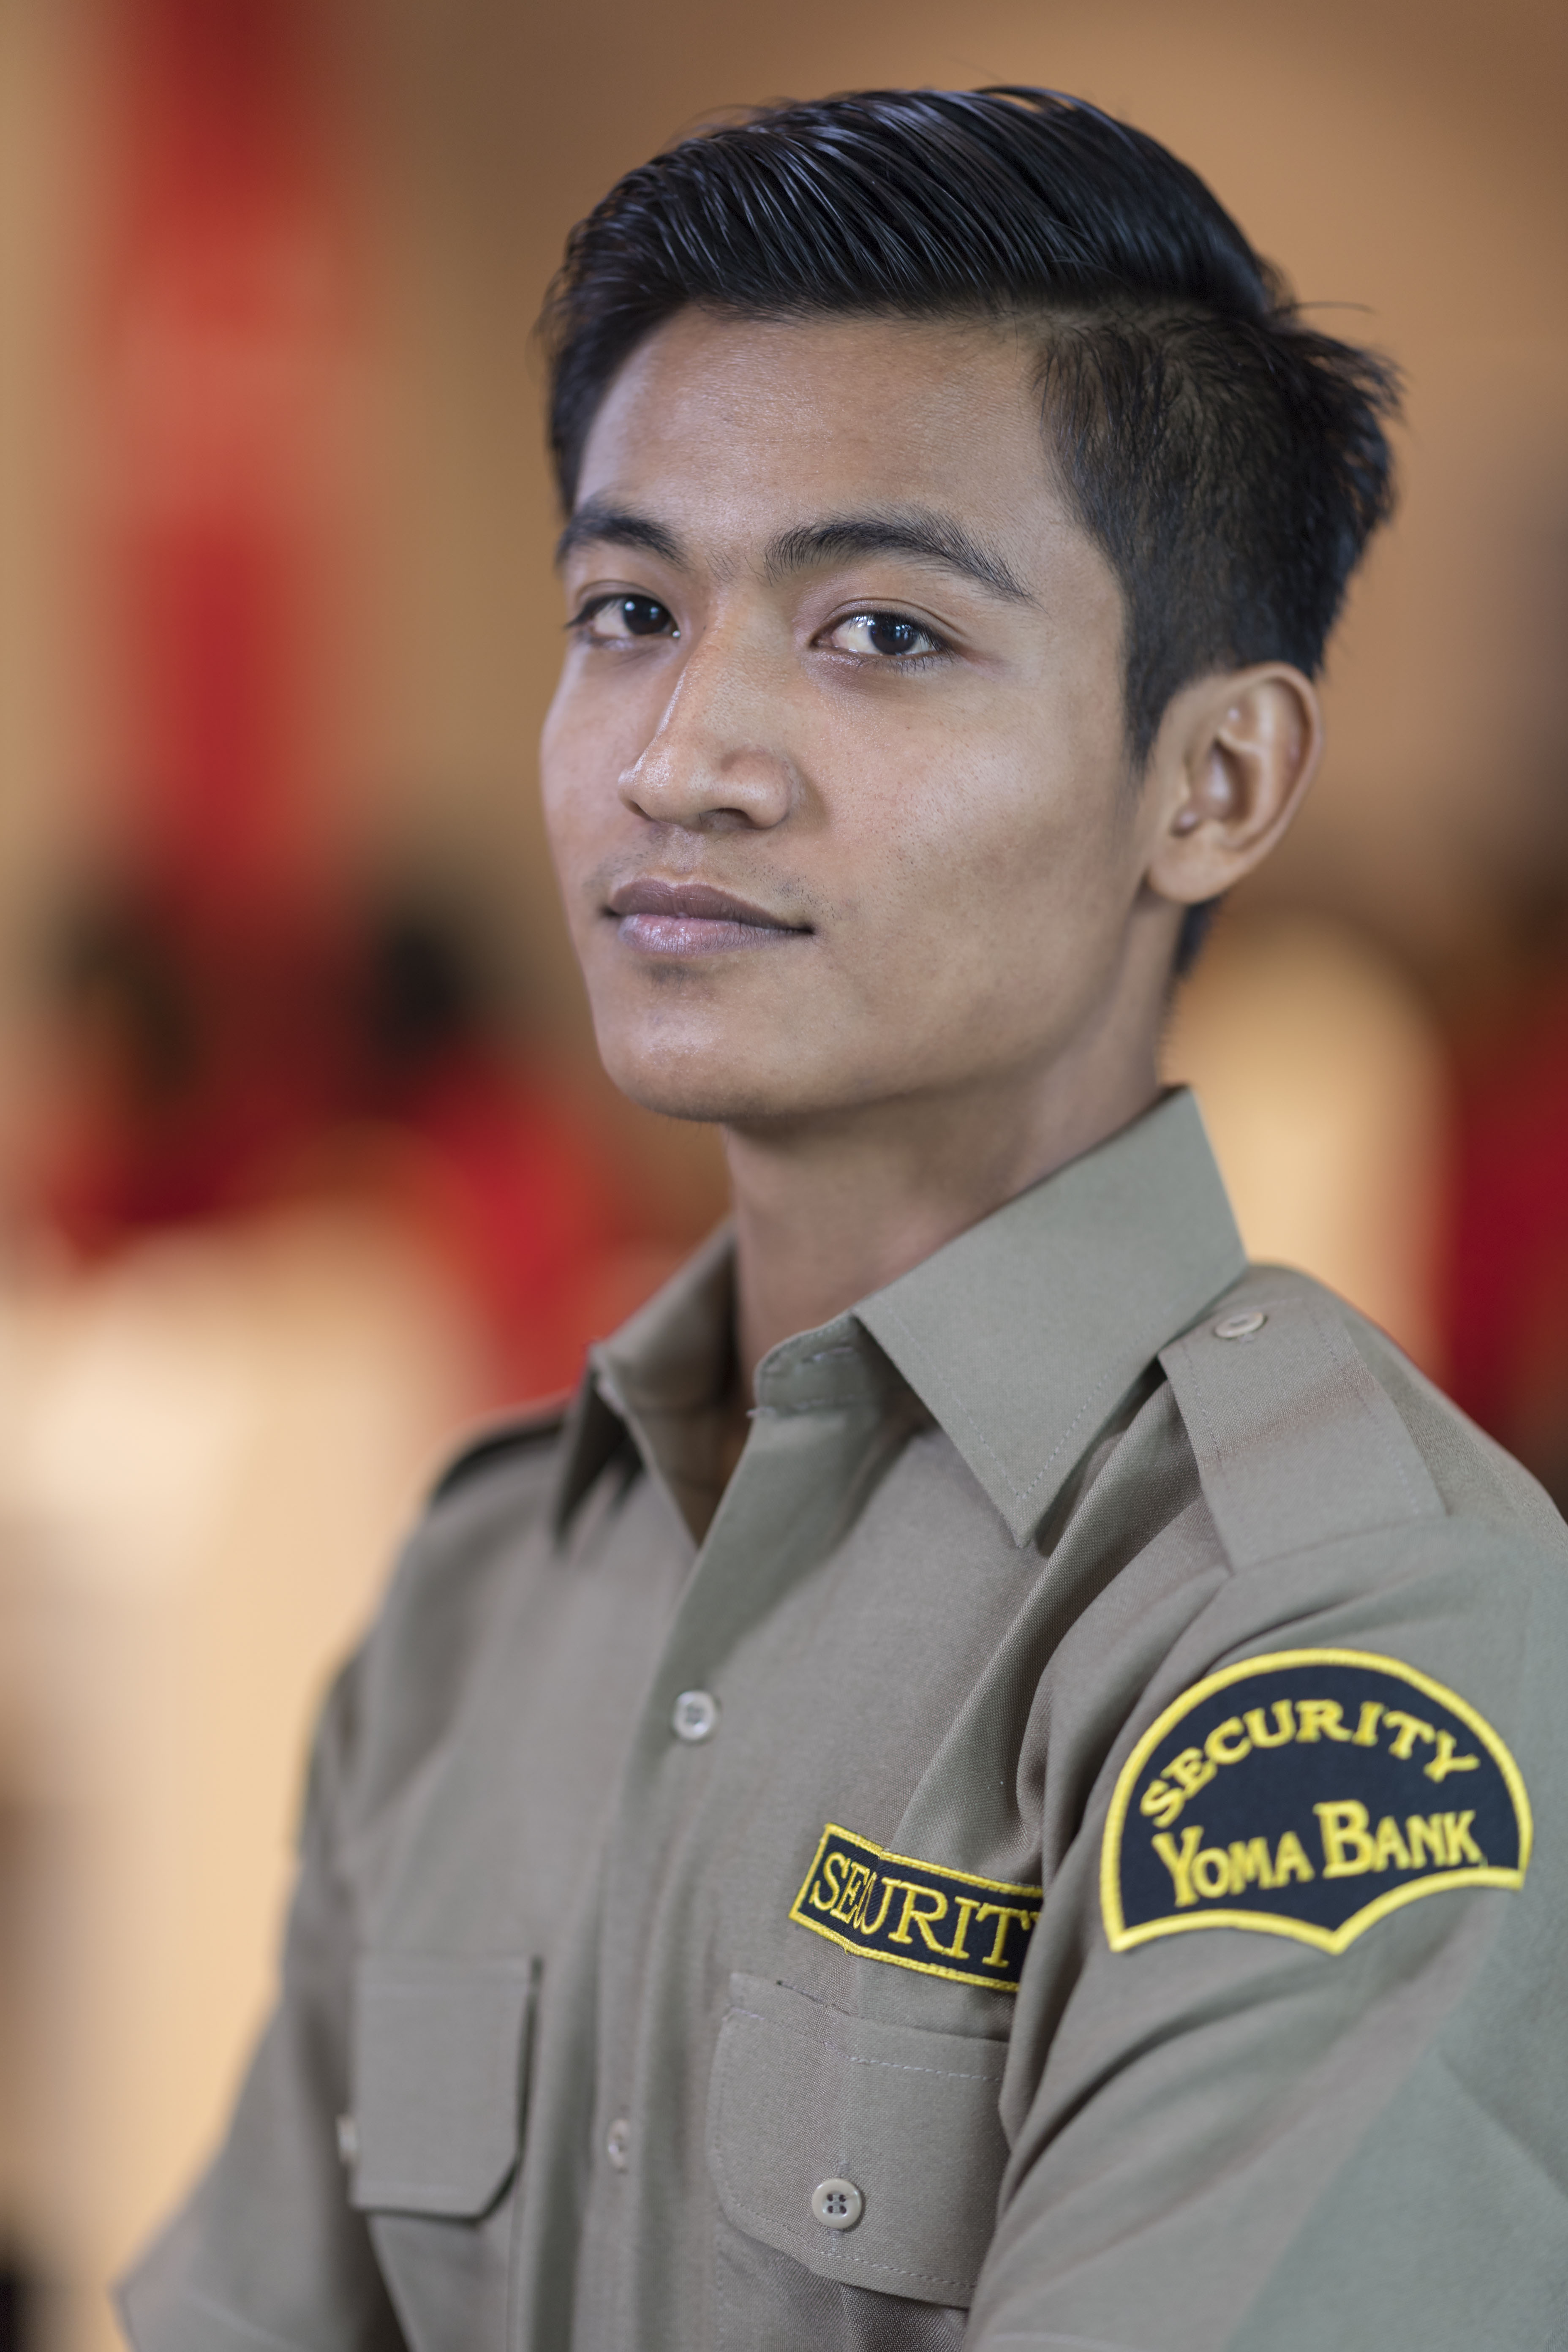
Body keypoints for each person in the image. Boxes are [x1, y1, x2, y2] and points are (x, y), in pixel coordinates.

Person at [119, 88, 1568, 2352]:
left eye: (882, 631)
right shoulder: (491, 1587)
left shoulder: (1337, 1629)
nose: (679, 758)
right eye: (627, 610)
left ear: (1214, 781)